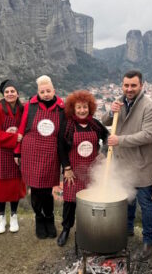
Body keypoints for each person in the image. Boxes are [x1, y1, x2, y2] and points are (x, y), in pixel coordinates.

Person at [101, 70, 152, 261]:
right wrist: (111, 111)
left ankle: (148, 241)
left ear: (141, 85)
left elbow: (148, 135)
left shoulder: (150, 107)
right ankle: (127, 230)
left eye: (133, 85)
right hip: (123, 163)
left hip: (142, 163)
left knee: (145, 204)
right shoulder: (119, 102)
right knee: (126, 201)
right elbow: (105, 121)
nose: (129, 89)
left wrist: (120, 140)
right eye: (126, 85)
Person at [14, 75, 65, 239]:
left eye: (48, 91)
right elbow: (21, 129)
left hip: (51, 153)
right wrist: (17, 151)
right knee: (35, 189)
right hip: (31, 151)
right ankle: (39, 218)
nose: (46, 94)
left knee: (47, 190)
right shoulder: (30, 106)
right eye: (42, 91)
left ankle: (49, 218)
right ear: (38, 92)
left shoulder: (62, 108)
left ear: (54, 91)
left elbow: (65, 132)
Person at [57, 90, 108, 247]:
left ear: (90, 107)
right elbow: (61, 148)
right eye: (78, 107)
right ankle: (66, 229)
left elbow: (107, 137)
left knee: (91, 202)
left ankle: (89, 228)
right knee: (70, 202)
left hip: (92, 171)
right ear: (73, 108)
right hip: (73, 171)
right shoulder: (67, 126)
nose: (82, 110)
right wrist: (67, 168)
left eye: (85, 107)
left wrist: (102, 153)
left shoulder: (95, 124)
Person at [0, 79, 26, 234]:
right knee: (0, 187)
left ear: (17, 93)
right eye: (7, 92)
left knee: (14, 185)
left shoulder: (23, 109)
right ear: (3, 94)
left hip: (17, 152)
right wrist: (13, 138)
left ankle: (14, 215)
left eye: (12, 91)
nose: (10, 94)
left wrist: (19, 143)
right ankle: (1, 217)